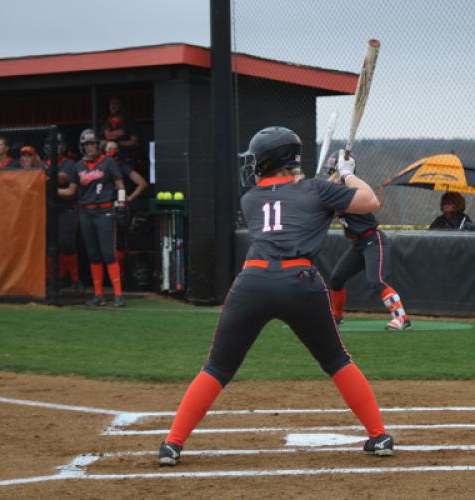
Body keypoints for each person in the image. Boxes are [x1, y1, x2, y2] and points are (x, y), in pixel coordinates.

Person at [158, 126, 394, 466]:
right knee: (337, 360)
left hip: (252, 282)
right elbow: (369, 201)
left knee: (217, 367)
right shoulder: (316, 190)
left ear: (269, 160)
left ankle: (172, 444)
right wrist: (346, 175)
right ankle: (379, 435)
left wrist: (328, 184)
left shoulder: (251, 197)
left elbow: (294, 199)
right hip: (301, 283)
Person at [323, 152, 411, 331]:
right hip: (358, 244)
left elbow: (332, 209)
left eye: (333, 171)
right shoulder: (335, 191)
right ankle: (337, 317)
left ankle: (401, 317)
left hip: (373, 239)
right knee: (336, 279)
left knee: (376, 280)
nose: (330, 175)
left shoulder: (352, 190)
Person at [58, 129, 127, 307]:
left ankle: (118, 295)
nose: (91, 147)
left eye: (94, 144)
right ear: (82, 147)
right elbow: (72, 191)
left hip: (104, 211)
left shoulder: (108, 162)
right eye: (87, 144)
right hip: (85, 212)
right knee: (93, 254)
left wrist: (120, 205)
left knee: (108, 253)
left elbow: (120, 185)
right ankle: (98, 295)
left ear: (98, 145)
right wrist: (51, 190)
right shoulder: (78, 166)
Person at [43, 132, 84, 293]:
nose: (54, 147)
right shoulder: (41, 162)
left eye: (58, 144)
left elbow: (63, 180)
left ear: (63, 146)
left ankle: (74, 279)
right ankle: (51, 280)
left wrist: (45, 172)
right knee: (47, 245)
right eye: (51, 144)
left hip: (65, 207)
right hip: (45, 208)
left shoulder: (69, 163)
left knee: (66, 243)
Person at [104, 140, 148, 273]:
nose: (110, 151)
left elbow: (142, 183)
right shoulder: (100, 167)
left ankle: (120, 275)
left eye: (113, 148)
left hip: (119, 206)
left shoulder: (122, 166)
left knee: (119, 242)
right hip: (102, 207)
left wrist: (128, 198)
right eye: (108, 149)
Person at [101, 95, 139, 164]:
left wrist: (119, 143)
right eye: (111, 104)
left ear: (121, 106)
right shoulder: (105, 122)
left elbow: (135, 142)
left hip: (125, 158)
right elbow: (100, 141)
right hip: (108, 159)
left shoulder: (128, 121)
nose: (112, 106)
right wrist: (108, 144)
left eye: (115, 103)